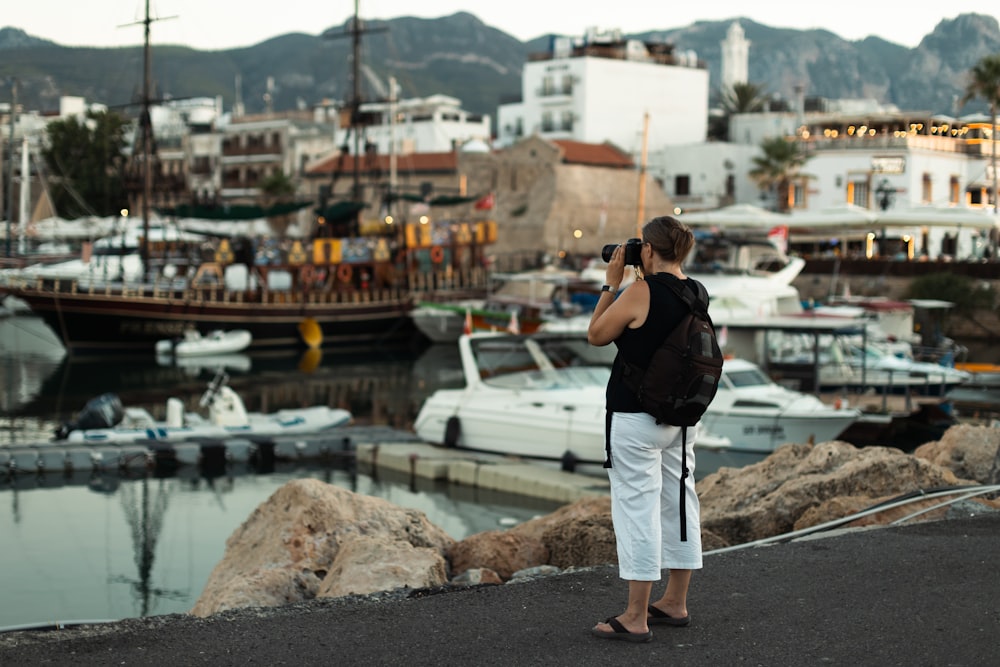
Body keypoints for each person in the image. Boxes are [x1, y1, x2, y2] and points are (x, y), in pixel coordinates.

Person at [586, 215, 705, 643]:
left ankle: (636, 616)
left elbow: (597, 334)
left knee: (637, 509)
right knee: (678, 501)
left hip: (635, 418)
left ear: (648, 251)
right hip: (682, 418)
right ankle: (675, 602)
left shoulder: (640, 291)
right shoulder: (697, 292)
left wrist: (610, 283)